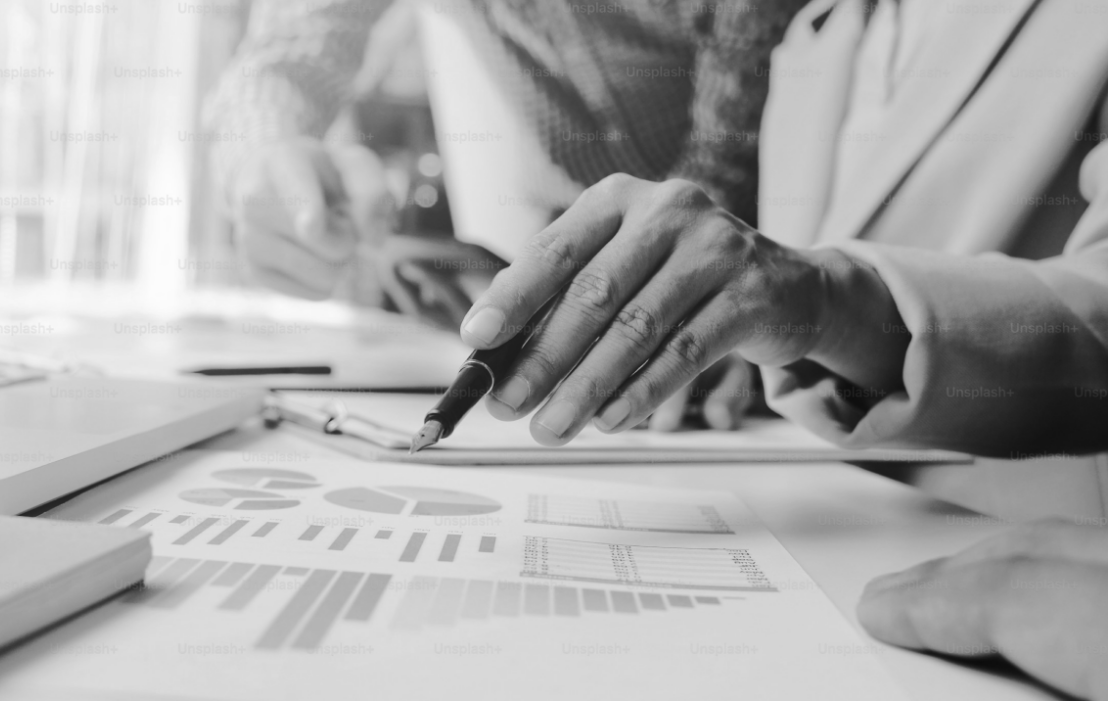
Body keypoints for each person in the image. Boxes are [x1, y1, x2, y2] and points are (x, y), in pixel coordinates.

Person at [455, 0, 1108, 697]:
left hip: (1025, 592)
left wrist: (827, 300)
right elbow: (798, 302)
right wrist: (738, 336)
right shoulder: (813, 31)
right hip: (820, 556)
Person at [204, 0, 811, 430]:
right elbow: (284, 57)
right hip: (602, 304)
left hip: (796, 292)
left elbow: (721, 167)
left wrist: (679, 300)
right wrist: (262, 158)